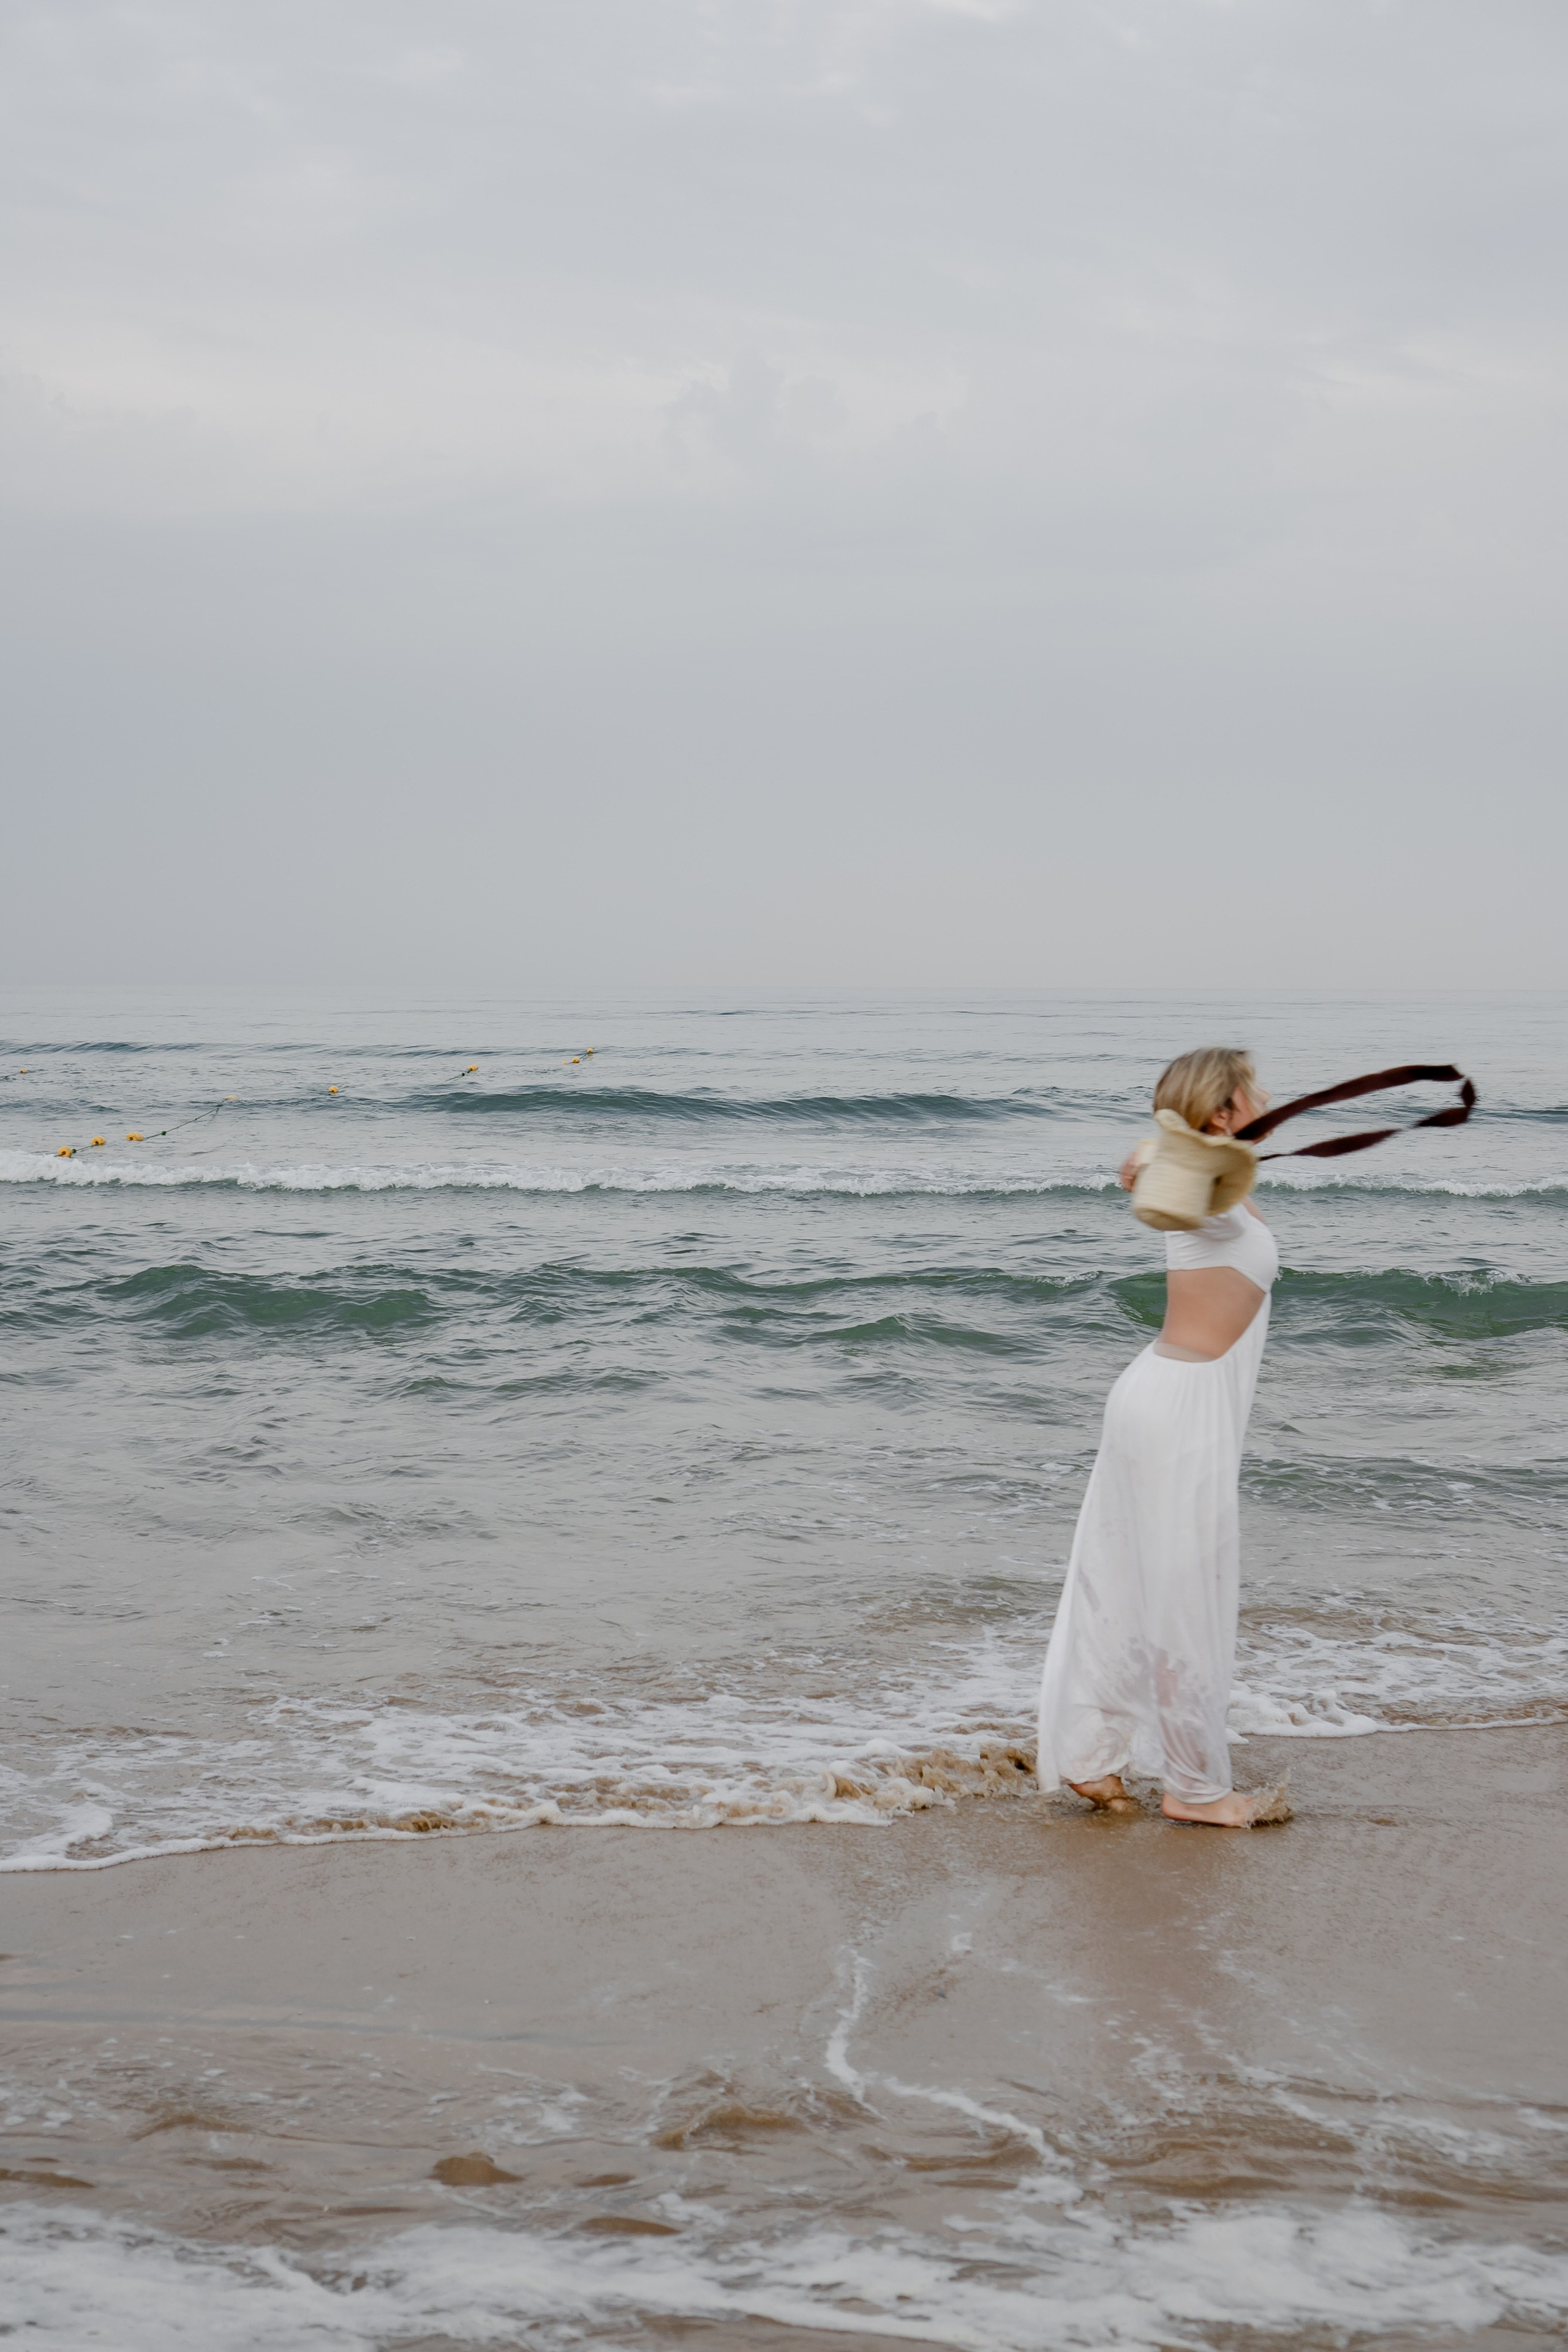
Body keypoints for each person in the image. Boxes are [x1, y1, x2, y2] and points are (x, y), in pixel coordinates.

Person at [1036, 1047, 1290, 1828]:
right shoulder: (1202, 1192)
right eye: (1255, 1088)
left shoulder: (1227, 1188)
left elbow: (1188, 1182)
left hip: (1177, 1399)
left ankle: (1092, 1762)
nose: (1269, 1095)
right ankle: (1193, 1789)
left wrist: (1174, 1155)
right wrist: (1151, 1155)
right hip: (1178, 1407)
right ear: (1222, 1111)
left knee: (1136, 1585)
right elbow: (1159, 1181)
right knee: (1181, 1597)